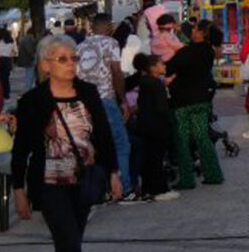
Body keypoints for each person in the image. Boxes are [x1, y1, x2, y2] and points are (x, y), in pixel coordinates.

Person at [11, 35, 121, 252]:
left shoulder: (88, 92)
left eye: (73, 58)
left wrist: (113, 172)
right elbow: (21, 149)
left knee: (68, 243)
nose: (71, 64)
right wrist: (18, 190)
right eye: (63, 59)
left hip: (83, 179)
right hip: (49, 183)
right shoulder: (33, 101)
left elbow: (102, 136)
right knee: (70, 242)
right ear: (46, 64)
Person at [77, 14, 132, 197]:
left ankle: (104, 188)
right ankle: (124, 188)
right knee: (120, 144)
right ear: (108, 27)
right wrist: (123, 100)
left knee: (97, 144)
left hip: (85, 102)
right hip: (106, 99)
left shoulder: (80, 46)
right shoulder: (111, 43)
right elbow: (116, 72)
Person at [164, 19, 222, 190]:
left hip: (183, 101)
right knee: (202, 138)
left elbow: (169, 68)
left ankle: (187, 179)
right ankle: (213, 174)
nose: (193, 31)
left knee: (182, 140)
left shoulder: (188, 52)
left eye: (196, 29)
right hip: (202, 100)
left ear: (202, 33)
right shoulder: (208, 51)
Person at [127, 53, 176, 202]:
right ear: (153, 67)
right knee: (157, 159)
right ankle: (160, 189)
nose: (164, 66)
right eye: (161, 63)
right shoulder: (156, 84)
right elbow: (162, 108)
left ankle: (148, 188)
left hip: (144, 125)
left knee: (149, 159)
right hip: (157, 127)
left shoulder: (143, 82)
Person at [0, 26, 17, 101]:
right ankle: (6, 93)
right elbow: (14, 51)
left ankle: (0, 93)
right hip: (7, 60)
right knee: (6, 78)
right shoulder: (11, 41)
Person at [16, 27, 40, 95]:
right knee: (30, 76)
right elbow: (30, 50)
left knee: (30, 75)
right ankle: (27, 91)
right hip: (30, 60)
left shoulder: (25, 38)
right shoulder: (29, 39)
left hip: (27, 60)